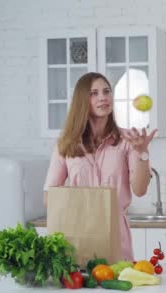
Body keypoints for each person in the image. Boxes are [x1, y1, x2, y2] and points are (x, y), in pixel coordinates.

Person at [43, 72, 157, 261]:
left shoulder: (127, 141)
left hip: (115, 237)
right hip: (77, 236)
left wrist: (142, 153)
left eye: (106, 91)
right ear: (82, 101)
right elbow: (49, 197)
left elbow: (140, 190)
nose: (103, 97)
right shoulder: (66, 144)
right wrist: (86, 206)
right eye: (93, 93)